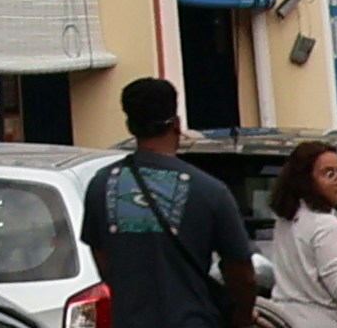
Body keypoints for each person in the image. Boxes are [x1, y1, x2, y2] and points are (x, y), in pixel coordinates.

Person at [94, 81, 263, 328]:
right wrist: (242, 317)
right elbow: (243, 276)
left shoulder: (100, 186)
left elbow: (105, 264)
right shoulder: (210, 191)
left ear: (130, 126)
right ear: (177, 124)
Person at [259, 141, 337, 328]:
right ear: (306, 181)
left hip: (290, 320)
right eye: (329, 174)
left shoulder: (287, 221)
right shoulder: (324, 225)